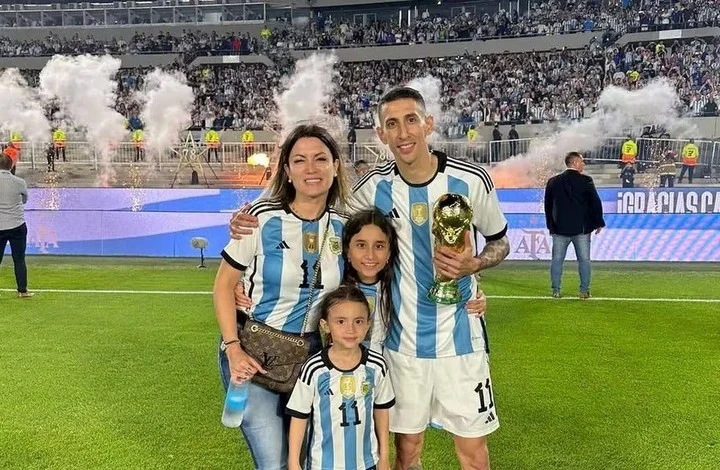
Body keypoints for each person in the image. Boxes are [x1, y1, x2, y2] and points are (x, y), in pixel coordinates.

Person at [230, 87, 508, 470]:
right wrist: (248, 223)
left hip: (463, 340)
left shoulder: (471, 179)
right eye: (392, 124)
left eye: (411, 120)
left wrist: (473, 266)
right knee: (407, 451)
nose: (403, 132)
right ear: (381, 134)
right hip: (401, 344)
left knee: (473, 453)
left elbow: (499, 242)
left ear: (428, 124)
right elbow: (310, 201)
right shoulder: (373, 187)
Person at [213, 124, 350, 469]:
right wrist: (233, 349)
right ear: (287, 171)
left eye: (320, 159)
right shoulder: (260, 218)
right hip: (252, 351)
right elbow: (223, 286)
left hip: (310, 357)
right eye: (299, 160)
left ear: (335, 166)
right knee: (273, 463)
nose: (311, 168)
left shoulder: (346, 226)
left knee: (304, 461)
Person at [286, 285, 395, 470]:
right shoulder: (314, 369)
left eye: (358, 321)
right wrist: (293, 463)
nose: (350, 329)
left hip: (366, 463)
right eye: (341, 321)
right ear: (325, 325)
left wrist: (384, 456)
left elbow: (382, 410)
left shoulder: (377, 365)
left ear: (368, 324)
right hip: (323, 465)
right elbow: (299, 417)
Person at [544, 152, 605, 299]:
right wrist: (598, 222)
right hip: (581, 229)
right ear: (575, 163)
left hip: (559, 229)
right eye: (582, 161)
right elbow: (595, 203)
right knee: (584, 261)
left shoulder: (553, 182)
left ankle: (556, 290)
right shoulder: (586, 181)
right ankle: (584, 291)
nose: (584, 164)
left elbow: (548, 206)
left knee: (557, 260)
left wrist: (551, 226)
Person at [0, 155, 33, 298]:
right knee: (19, 259)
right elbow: (25, 200)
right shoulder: (19, 182)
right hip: (17, 225)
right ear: (11, 165)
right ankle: (22, 291)